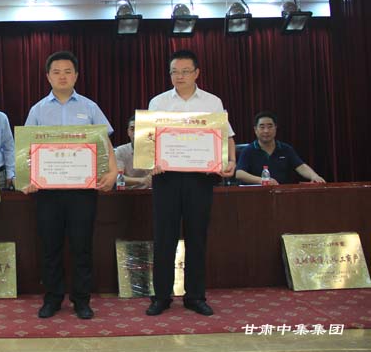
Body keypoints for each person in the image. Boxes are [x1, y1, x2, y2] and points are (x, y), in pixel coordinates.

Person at [23, 51, 117, 320]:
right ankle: (52, 298)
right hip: (48, 193)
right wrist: (26, 179)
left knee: (81, 246)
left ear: (76, 75)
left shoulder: (90, 107)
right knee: (50, 247)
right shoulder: (38, 110)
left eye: (67, 71)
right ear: (48, 77)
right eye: (56, 72)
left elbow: (105, 143)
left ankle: (81, 300)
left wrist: (112, 172)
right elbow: (26, 150)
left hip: (82, 192)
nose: (62, 76)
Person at [146, 50, 235, 317]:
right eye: (174, 71)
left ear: (197, 73)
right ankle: (161, 297)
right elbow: (148, 141)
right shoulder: (158, 102)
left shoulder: (212, 102)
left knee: (197, 237)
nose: (180, 76)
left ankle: (195, 296)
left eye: (185, 71)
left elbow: (226, 137)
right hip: (166, 178)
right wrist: (151, 161)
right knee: (164, 238)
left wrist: (230, 161)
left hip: (200, 178)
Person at [235, 111, 326, 185]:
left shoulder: (286, 149)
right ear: (255, 130)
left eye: (270, 126)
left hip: (283, 193)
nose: (266, 131)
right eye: (262, 127)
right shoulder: (248, 150)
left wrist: (314, 176)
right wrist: (263, 180)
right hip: (257, 195)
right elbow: (239, 174)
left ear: (275, 128)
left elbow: (301, 166)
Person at [113, 116, 152, 189]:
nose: (136, 133)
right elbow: (118, 179)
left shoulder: (154, 150)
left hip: (151, 192)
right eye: (132, 129)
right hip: (129, 193)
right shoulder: (120, 151)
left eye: (139, 129)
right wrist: (142, 180)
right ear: (128, 132)